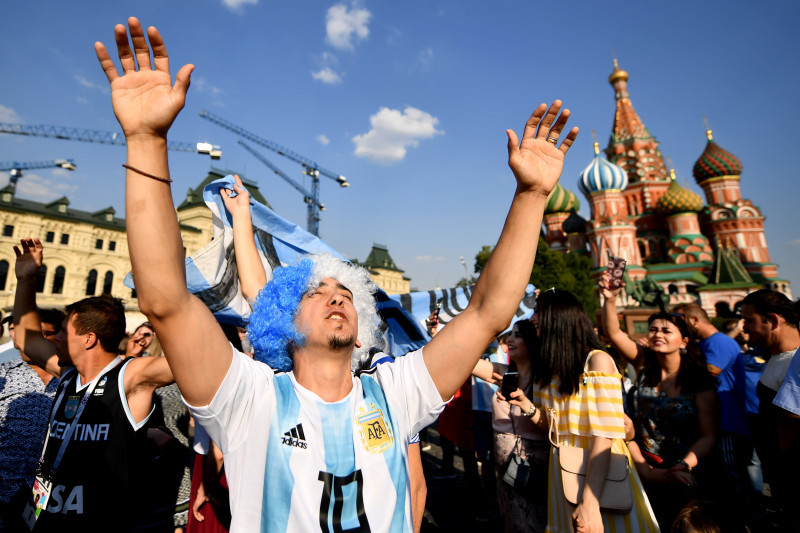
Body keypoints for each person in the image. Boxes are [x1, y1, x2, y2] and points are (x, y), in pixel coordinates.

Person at [95, 16, 578, 532]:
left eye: (345, 289)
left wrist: (531, 197)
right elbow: (166, 298)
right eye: (316, 289)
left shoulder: (395, 392)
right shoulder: (249, 397)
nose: (336, 295)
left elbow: (487, 312)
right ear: (281, 316)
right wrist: (146, 140)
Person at [12, 238, 175, 532]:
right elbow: (28, 339)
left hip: (98, 523)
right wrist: (26, 279)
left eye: (63, 331)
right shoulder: (68, 374)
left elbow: (188, 360)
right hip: (44, 516)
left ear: (88, 339)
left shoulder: (130, 376)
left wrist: (161, 299)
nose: (56, 339)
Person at [528, 289, 659, 532]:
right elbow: (551, 426)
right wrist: (526, 407)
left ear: (559, 317)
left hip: (600, 476)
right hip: (563, 472)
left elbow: (604, 435)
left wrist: (590, 502)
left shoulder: (597, 361)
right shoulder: (548, 369)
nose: (532, 318)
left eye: (538, 312)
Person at [600, 277, 719, 529]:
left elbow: (708, 435)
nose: (657, 335)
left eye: (666, 331)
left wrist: (683, 465)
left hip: (688, 471)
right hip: (647, 468)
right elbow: (613, 333)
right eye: (653, 329)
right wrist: (610, 299)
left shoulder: (698, 380)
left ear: (684, 342)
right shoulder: (643, 364)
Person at [472, 320, 548, 533]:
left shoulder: (545, 381)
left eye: (518, 335)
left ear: (533, 342)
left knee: (534, 523)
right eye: (510, 334)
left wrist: (526, 404)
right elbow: (468, 361)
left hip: (534, 469)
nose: (511, 340)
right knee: (512, 521)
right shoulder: (503, 374)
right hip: (506, 470)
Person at [671, 303, 751, 496]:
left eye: (680, 322)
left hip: (727, 421)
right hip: (717, 421)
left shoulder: (718, 342)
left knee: (735, 482)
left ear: (694, 320)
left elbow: (707, 374)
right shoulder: (707, 343)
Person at [0, 309, 64, 531]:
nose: (34, 342)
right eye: (31, 335)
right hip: (4, 488)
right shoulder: (4, 374)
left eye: (44, 334)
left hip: (51, 498)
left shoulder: (73, 380)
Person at [740, 289, 799, 527]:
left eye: (749, 320)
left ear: (773, 320)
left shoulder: (796, 361)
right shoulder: (777, 359)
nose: (744, 328)